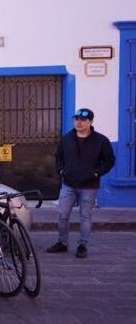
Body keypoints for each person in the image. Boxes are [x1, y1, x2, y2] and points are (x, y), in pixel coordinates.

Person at [47, 108, 115, 258]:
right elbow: (59, 157)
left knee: (85, 216)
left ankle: (82, 245)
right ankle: (62, 242)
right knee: (62, 215)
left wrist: (96, 173)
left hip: (89, 186)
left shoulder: (101, 140)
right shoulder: (67, 138)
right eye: (76, 119)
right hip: (68, 184)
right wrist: (61, 171)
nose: (78, 122)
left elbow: (109, 160)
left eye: (83, 120)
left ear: (90, 121)